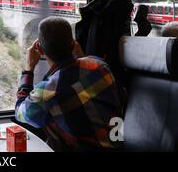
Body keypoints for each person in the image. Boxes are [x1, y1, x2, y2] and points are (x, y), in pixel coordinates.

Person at [15, 17, 123, 151]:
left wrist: (28, 69)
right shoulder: (101, 66)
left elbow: (20, 113)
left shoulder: (48, 92)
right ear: (73, 44)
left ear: (41, 51)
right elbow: (81, 83)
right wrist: (82, 57)